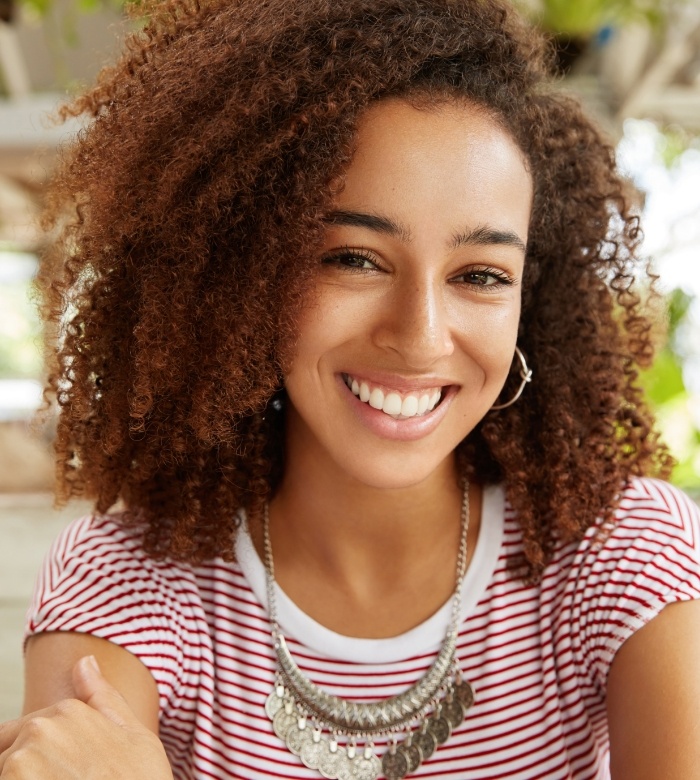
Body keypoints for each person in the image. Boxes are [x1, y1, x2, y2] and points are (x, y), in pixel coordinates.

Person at [1, 0, 699, 777]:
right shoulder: (125, 582)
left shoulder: (620, 555)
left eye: (479, 275)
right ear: (243, 269)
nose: (422, 336)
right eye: (354, 259)